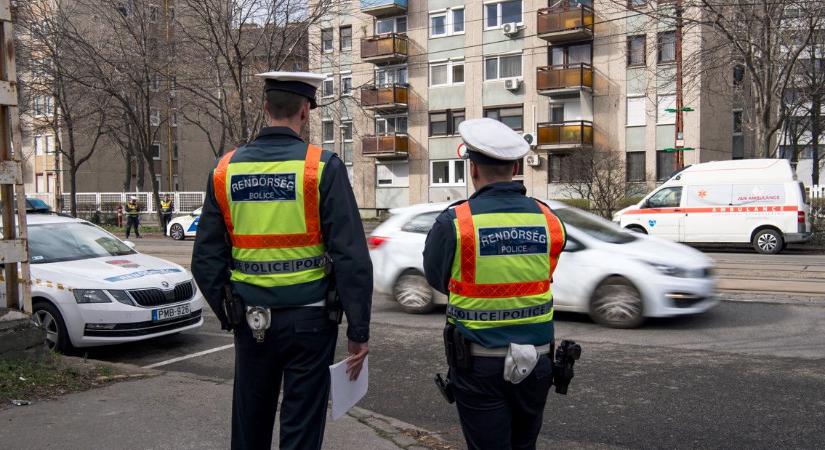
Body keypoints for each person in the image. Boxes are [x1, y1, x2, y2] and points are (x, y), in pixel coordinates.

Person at [191, 71, 372, 450]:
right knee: (302, 425)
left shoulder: (225, 170)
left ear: (264, 108)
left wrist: (230, 314)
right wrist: (358, 331)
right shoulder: (321, 167)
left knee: (249, 421)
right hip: (309, 322)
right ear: (305, 112)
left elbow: (206, 258)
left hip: (251, 319)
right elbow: (351, 256)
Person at [423, 118, 567, 450]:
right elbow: (546, 270)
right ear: (517, 166)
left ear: (472, 169)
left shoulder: (456, 222)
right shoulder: (549, 220)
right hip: (538, 362)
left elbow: (437, 278)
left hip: (479, 365)